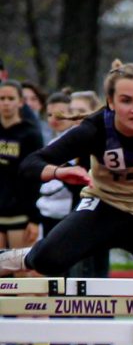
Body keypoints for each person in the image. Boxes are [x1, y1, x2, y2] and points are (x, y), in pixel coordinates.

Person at [0, 61, 133, 345]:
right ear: (111, 103)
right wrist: (58, 171)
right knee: (49, 261)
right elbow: (31, 163)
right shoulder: (96, 129)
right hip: (104, 208)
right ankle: (16, 256)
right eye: (126, 101)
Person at [66, 90, 110, 278]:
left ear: (94, 112)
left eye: (81, 110)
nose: (75, 115)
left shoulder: (101, 139)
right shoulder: (65, 140)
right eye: (72, 110)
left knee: (95, 261)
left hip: (98, 208)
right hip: (70, 209)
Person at [0, 80, 44, 255]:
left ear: (20, 102)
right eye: (2, 98)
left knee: (21, 270)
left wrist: (34, 219)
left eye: (11, 98)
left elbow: (35, 177)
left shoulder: (30, 134)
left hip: (20, 214)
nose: (6, 102)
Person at [35, 91, 77, 237]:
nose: (54, 119)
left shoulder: (76, 140)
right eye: (49, 115)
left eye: (60, 114)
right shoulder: (54, 141)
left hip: (66, 212)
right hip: (49, 210)